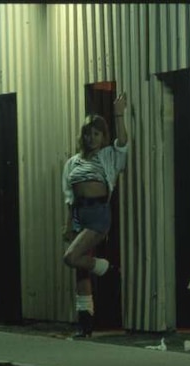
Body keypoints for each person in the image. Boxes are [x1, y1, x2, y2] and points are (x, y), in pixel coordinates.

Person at [61, 92, 129, 338]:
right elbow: (69, 195)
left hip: (99, 213)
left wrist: (119, 112)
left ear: (103, 136)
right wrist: (68, 224)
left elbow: (124, 143)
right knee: (80, 270)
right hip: (80, 214)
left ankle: (108, 269)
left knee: (71, 257)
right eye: (88, 133)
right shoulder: (72, 162)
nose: (92, 138)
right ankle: (85, 324)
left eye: (97, 133)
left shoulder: (109, 155)